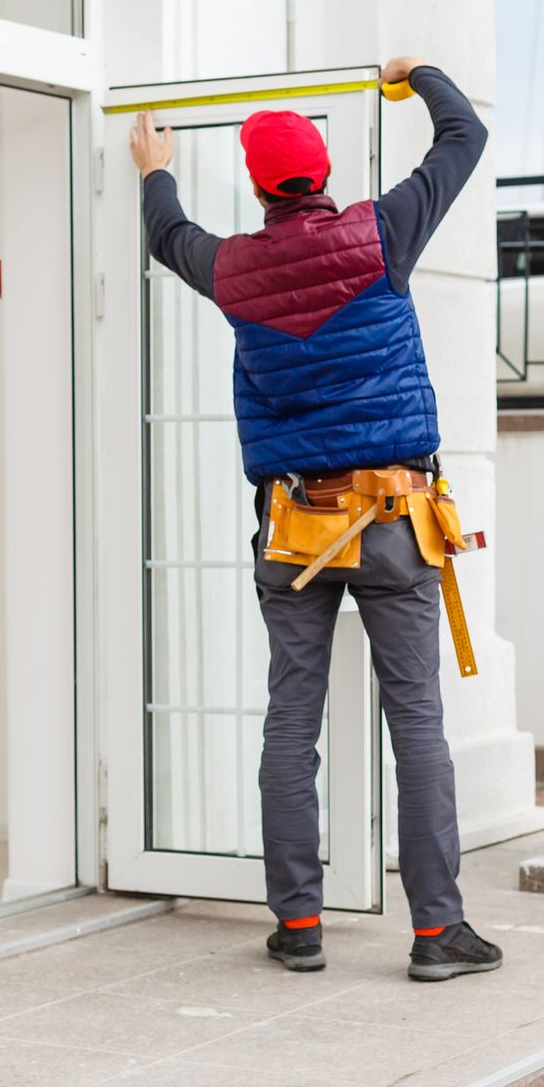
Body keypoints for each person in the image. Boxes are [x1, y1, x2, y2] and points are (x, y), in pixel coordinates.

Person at [129, 55, 503, 983]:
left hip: (292, 528)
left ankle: (298, 923)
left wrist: (153, 164)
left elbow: (167, 232)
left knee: (290, 721)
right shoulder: (383, 233)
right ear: (322, 173)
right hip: (393, 524)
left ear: (258, 187)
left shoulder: (231, 269)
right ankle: (435, 935)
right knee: (414, 719)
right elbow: (466, 138)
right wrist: (419, 73)